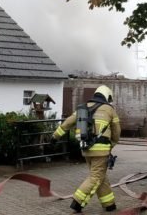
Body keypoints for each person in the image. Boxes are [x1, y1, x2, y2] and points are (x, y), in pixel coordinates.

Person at [52, 85, 121, 213]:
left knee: (100, 176)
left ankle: (109, 204)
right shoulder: (110, 110)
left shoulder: (83, 108)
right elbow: (117, 133)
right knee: (96, 177)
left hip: (86, 149)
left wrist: (55, 136)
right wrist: (111, 145)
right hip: (101, 151)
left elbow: (68, 122)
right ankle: (77, 202)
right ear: (107, 96)